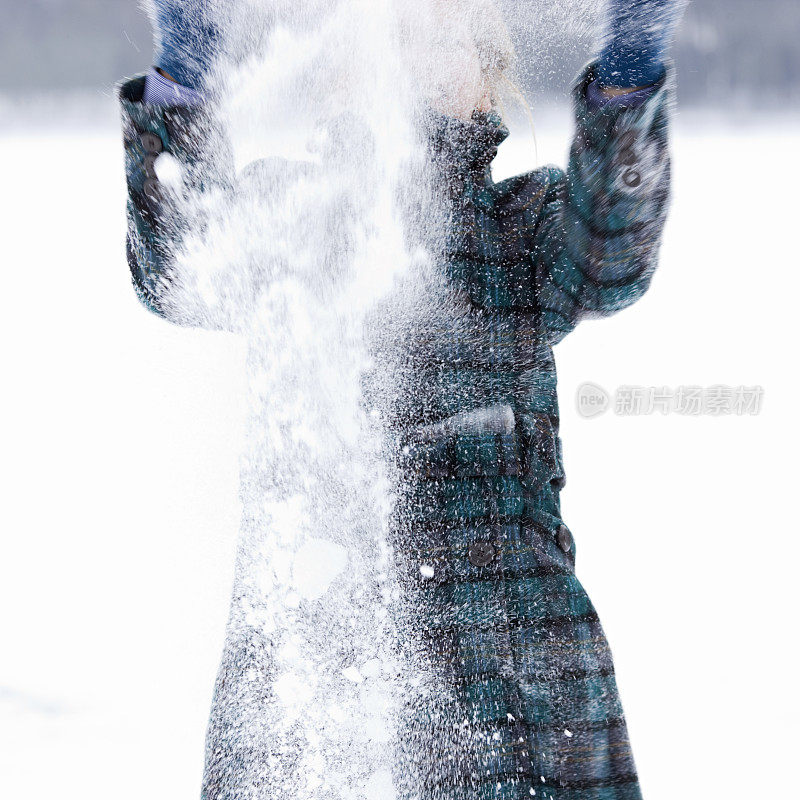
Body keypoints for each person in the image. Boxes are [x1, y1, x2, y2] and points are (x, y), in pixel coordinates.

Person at [118, 1, 685, 797]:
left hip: (517, 682)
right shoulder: (292, 218)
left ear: (488, 81)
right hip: (319, 669)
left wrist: (629, 74)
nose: (417, 43)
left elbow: (614, 251)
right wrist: (183, 75)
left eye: (447, 30)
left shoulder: (526, 226)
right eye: (399, 26)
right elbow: (178, 264)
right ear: (340, 69)